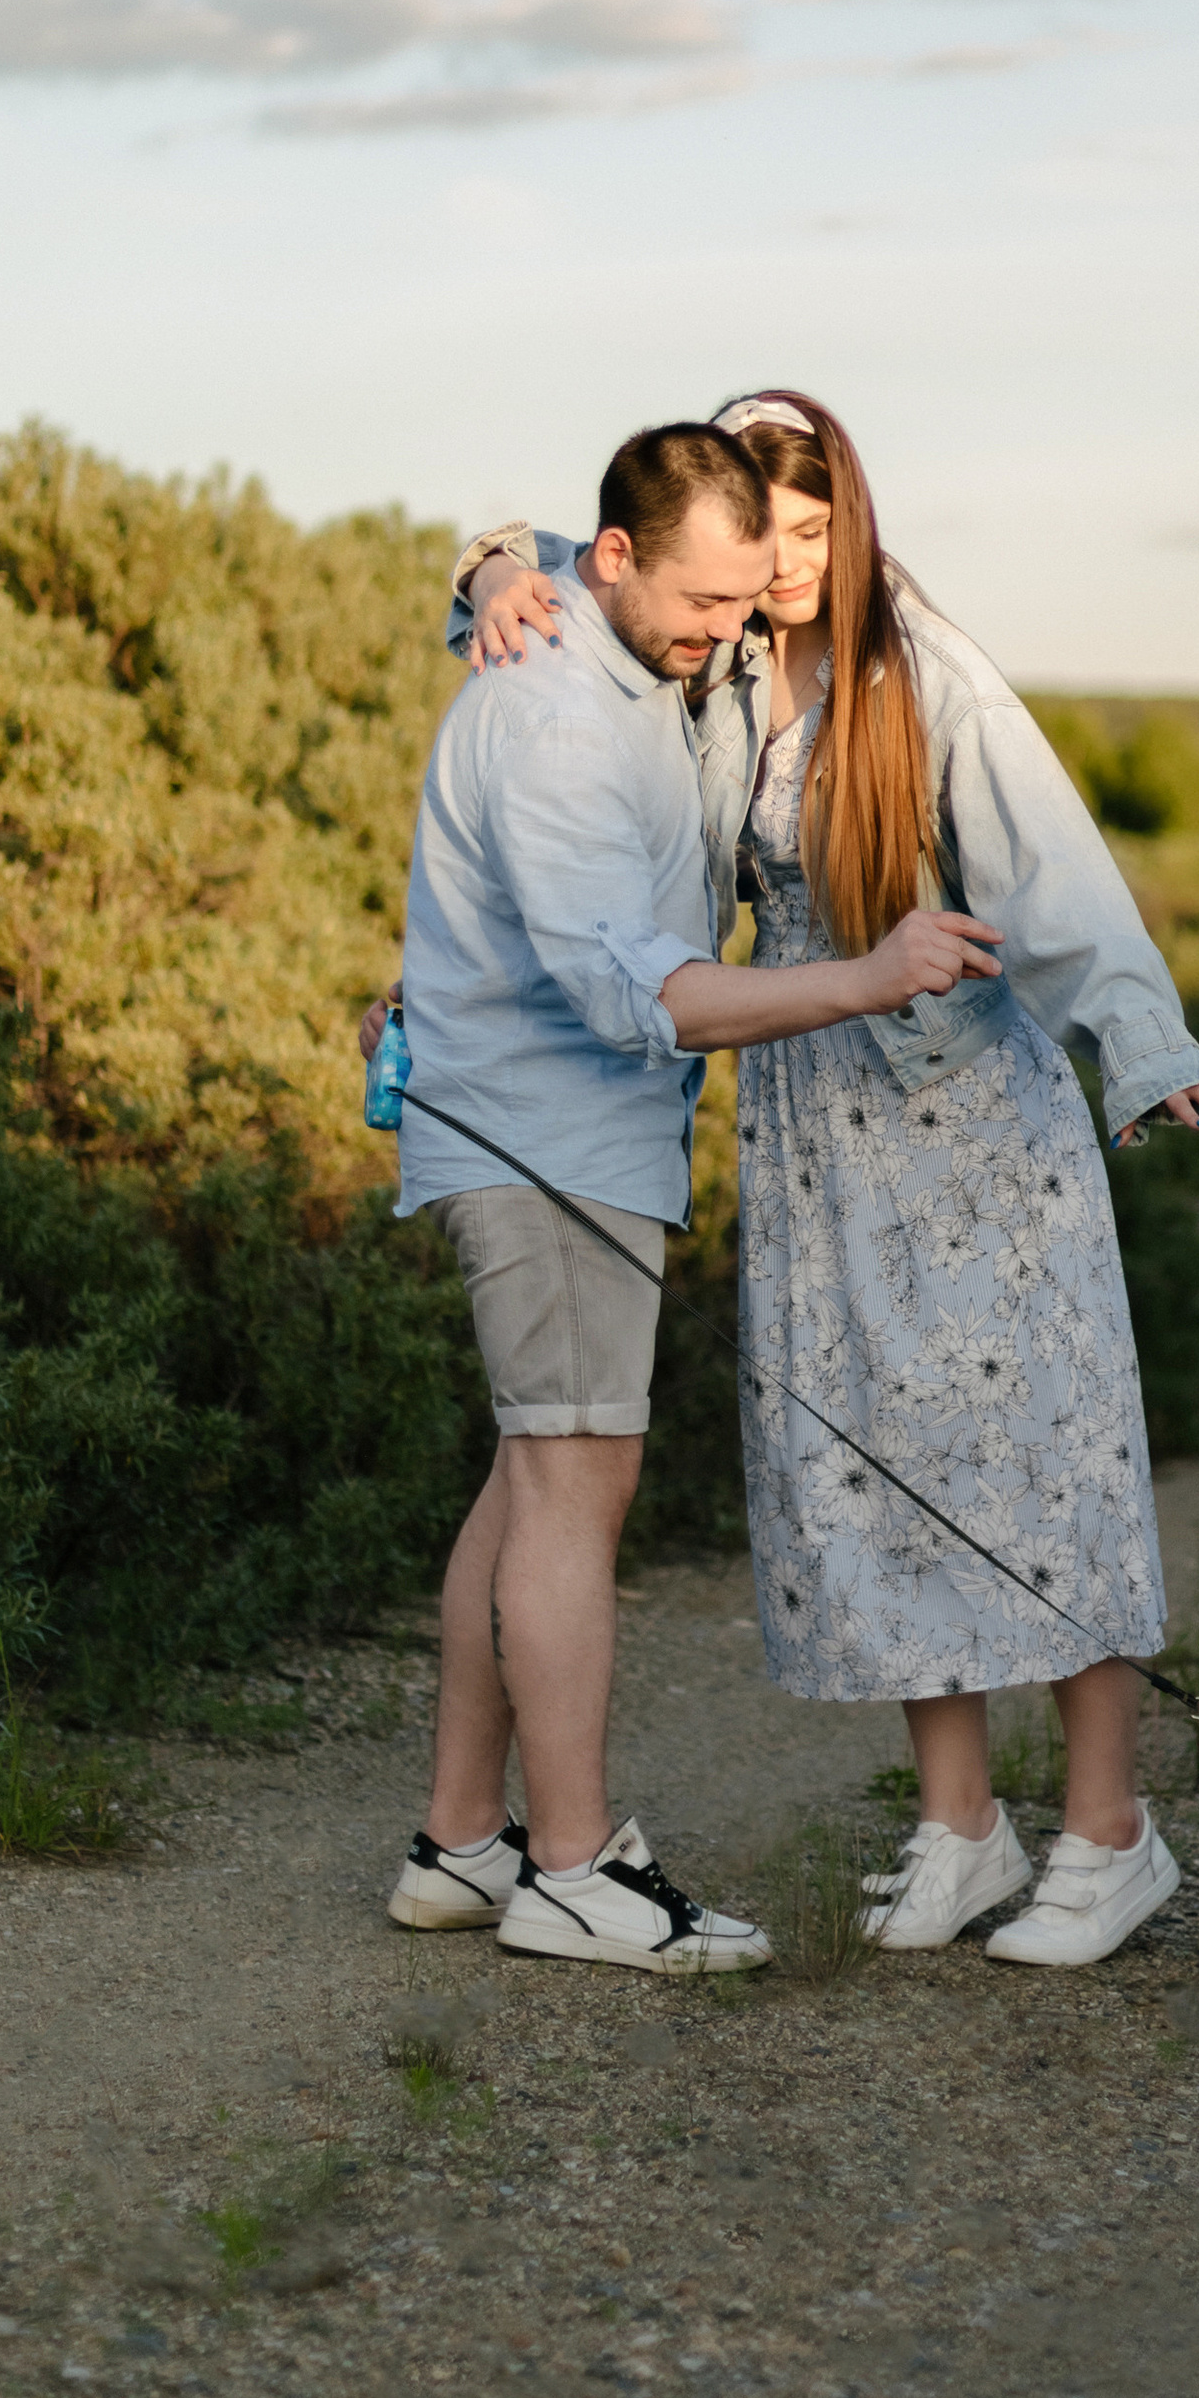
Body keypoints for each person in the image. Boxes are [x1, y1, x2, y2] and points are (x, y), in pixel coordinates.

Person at [437, 392, 1199, 1969]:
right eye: (770, 536)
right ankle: (961, 1825)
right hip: (817, 1125)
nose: (791, 565)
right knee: (883, 1470)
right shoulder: (728, 656)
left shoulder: (923, 669)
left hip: (970, 1127)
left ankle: (1110, 1833)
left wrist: (1146, 1041)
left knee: (1040, 1466)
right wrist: (487, 570)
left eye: (816, 532)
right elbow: (588, 559)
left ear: (853, 522)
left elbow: (1053, 865)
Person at [383, 416, 1006, 1972]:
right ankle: (575, 1869)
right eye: (705, 603)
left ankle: (462, 1844)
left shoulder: (596, 623)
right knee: (573, 1488)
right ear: (615, 560)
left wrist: (488, 565)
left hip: (560, 1141)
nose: (726, 633)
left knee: (531, 1478)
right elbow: (635, 994)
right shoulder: (556, 723)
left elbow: (530, 558)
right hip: (544, 1145)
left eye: (742, 603)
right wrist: (867, 978)